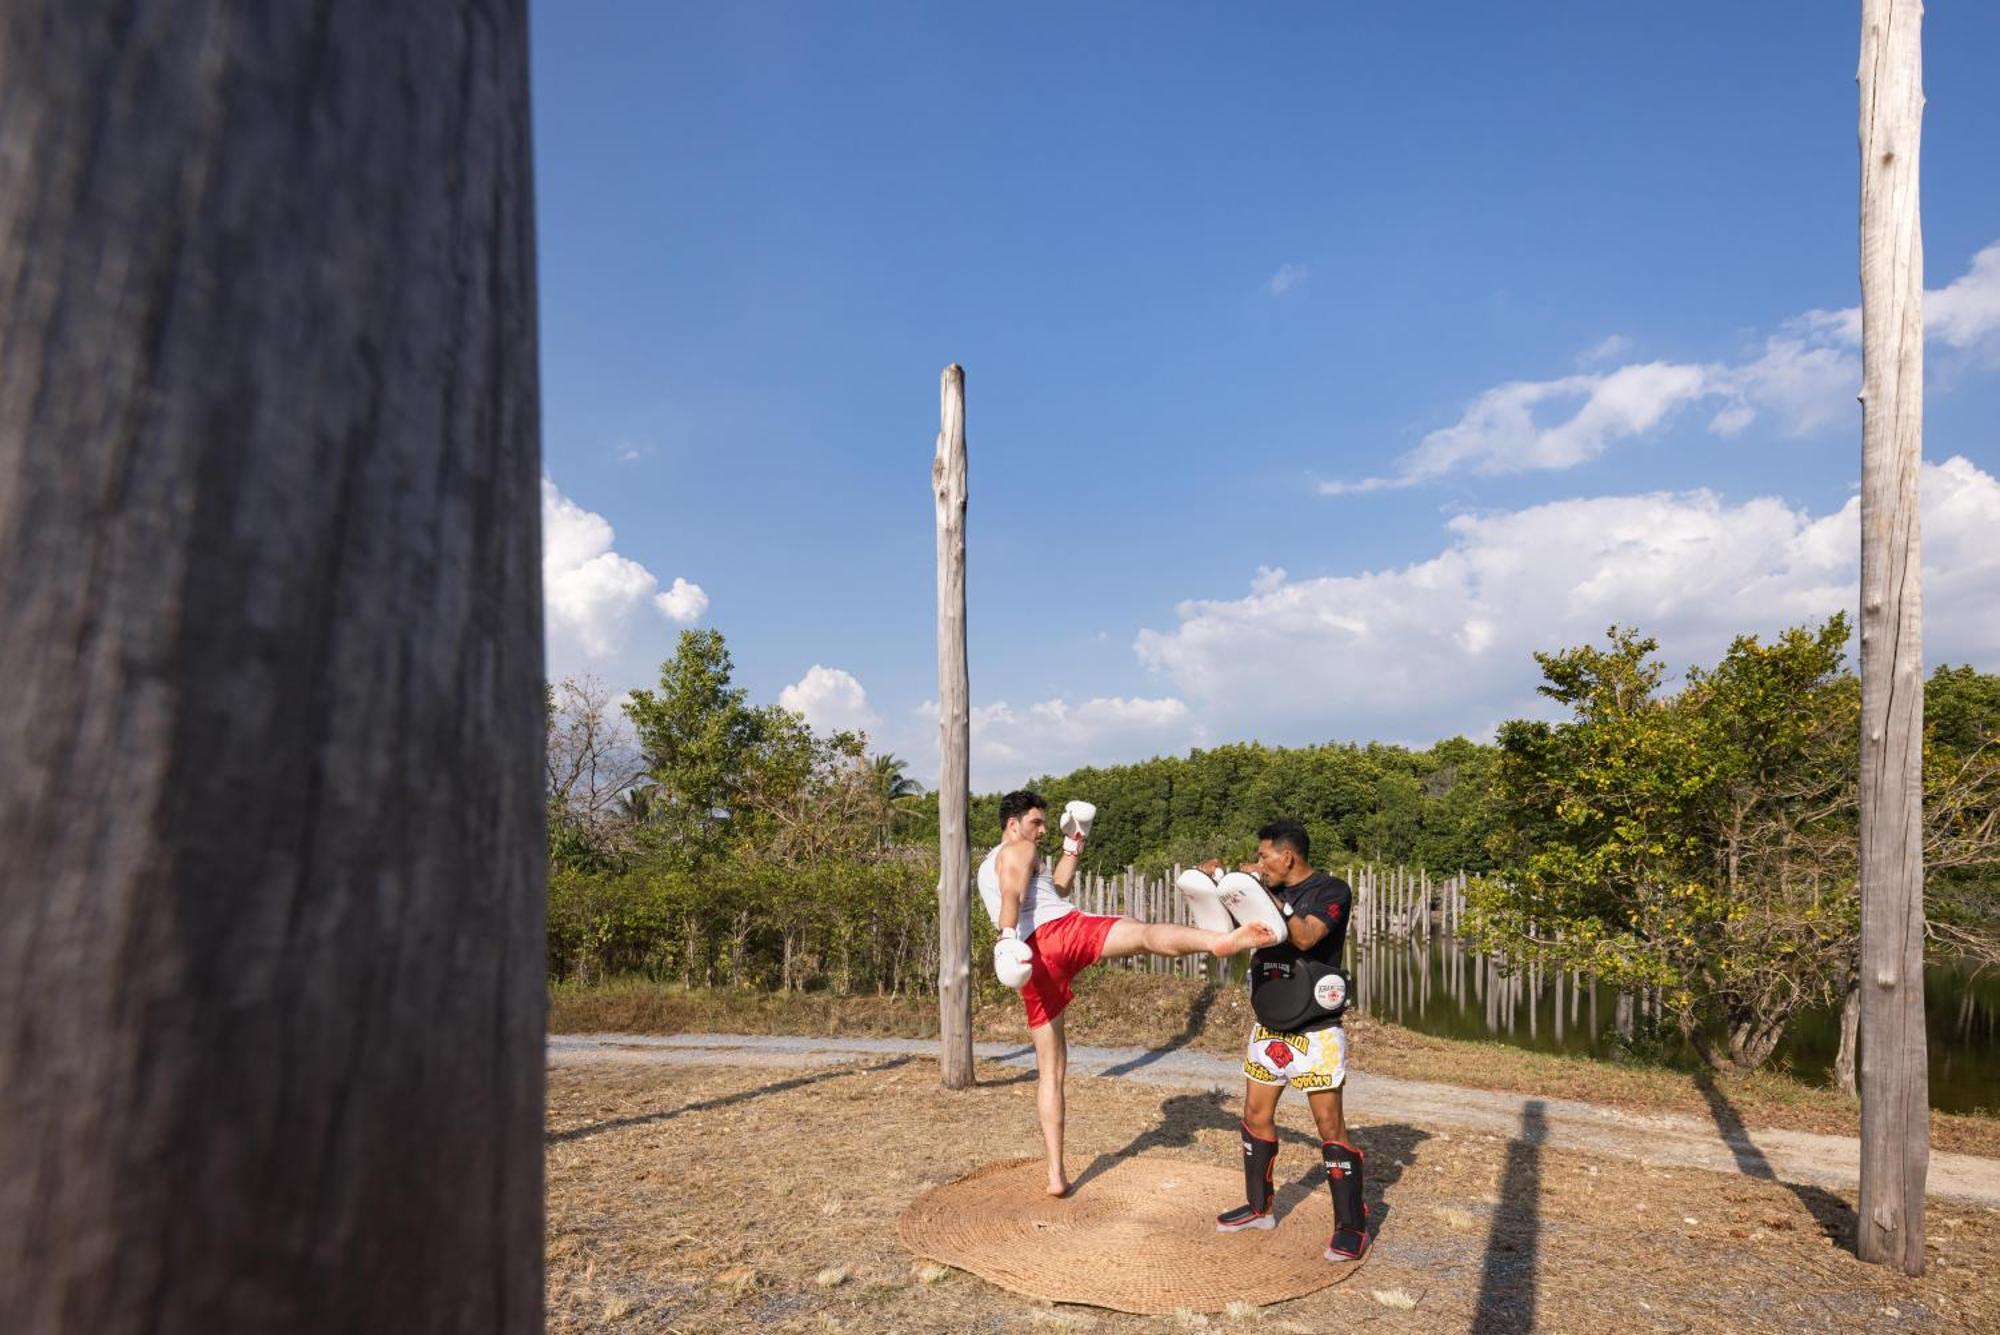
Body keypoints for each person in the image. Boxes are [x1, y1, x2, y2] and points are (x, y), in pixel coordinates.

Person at [979, 790, 1275, 1198]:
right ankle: (1219, 941)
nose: (1042, 830)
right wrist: (1005, 938)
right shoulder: (1019, 847)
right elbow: (1012, 895)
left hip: (1033, 964)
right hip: (1054, 934)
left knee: (1050, 1070)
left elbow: (1058, 887)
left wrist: (1075, 842)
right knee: (1140, 933)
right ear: (1013, 824)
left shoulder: (997, 862)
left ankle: (1055, 1175)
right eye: (1036, 822)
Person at [1203, 819, 1368, 1262]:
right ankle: (1260, 1209)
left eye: (1264, 856)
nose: (1260, 863)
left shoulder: (1331, 891)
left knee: (1329, 1128)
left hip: (1316, 1030)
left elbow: (1305, 936)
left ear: (1287, 856)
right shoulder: (1263, 888)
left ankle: (1352, 1224)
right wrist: (1220, 885)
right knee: (1255, 1116)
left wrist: (1265, 895)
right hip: (1271, 1025)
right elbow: (1220, 928)